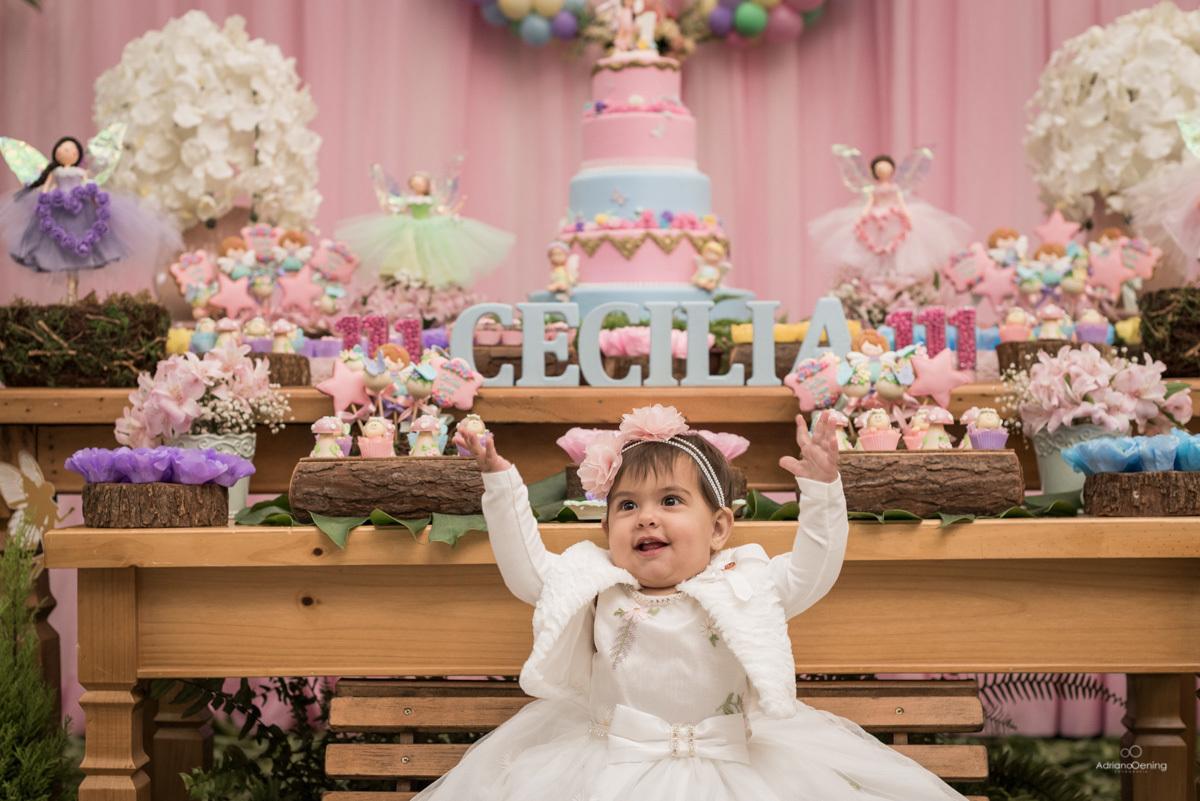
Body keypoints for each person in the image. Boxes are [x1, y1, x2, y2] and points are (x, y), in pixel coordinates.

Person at [443, 403, 970, 801]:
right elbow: (527, 570)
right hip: (606, 769)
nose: (646, 517)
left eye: (671, 501)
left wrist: (824, 491)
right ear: (606, 529)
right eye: (627, 506)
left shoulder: (743, 582)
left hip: (737, 771)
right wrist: (500, 481)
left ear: (719, 527)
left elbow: (813, 571)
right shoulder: (596, 583)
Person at [809, 146, 971, 287]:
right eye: (880, 169)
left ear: (892, 170)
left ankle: (896, 282)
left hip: (894, 218)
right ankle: (877, 284)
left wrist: (907, 216)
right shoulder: (874, 190)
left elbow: (900, 202)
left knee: (900, 250)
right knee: (872, 252)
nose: (884, 172)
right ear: (875, 172)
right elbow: (869, 204)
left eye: (886, 169)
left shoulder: (894, 188)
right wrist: (862, 218)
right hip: (876, 219)